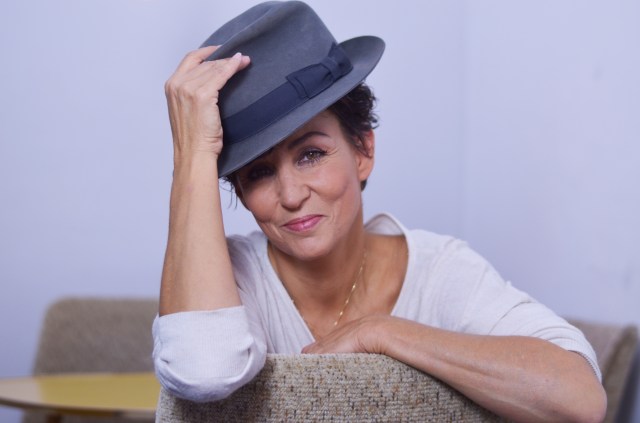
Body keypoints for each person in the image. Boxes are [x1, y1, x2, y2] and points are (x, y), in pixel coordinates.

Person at [152, 1, 606, 421]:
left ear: (363, 151)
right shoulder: (230, 281)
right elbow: (204, 370)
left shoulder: (438, 271)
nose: (290, 195)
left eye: (311, 154)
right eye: (259, 173)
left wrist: (384, 333)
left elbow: (579, 400)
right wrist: (192, 155)